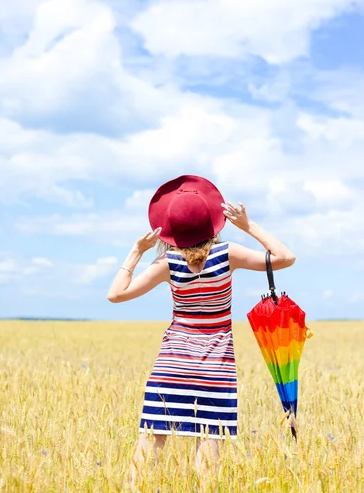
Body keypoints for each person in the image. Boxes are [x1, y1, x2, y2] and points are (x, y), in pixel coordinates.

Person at [107, 175, 296, 492]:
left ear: (169, 229)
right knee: (208, 456)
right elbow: (286, 258)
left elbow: (116, 295)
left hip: (172, 366)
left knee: (150, 445)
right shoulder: (228, 254)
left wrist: (136, 252)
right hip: (216, 368)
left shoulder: (167, 263)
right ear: (213, 223)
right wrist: (248, 226)